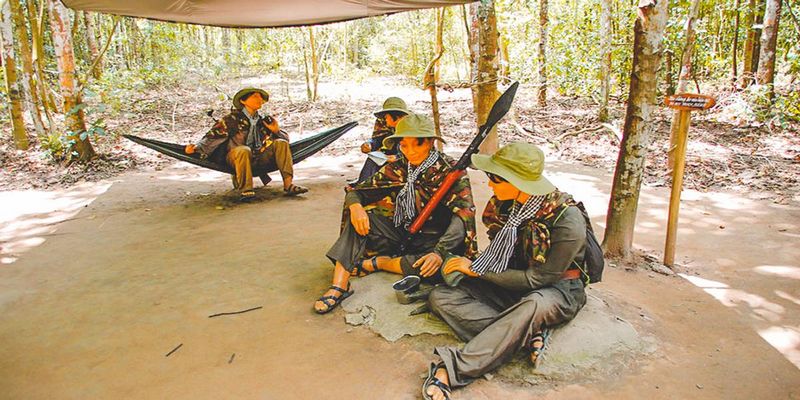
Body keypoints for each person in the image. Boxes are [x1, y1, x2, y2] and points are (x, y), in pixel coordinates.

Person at [421, 142, 588, 400]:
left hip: (556, 290)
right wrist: (468, 267)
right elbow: (499, 253)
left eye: (495, 179)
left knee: (532, 304)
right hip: (511, 281)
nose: (489, 184)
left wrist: (476, 270)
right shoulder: (507, 205)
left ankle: (452, 369)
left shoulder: (567, 219)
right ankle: (525, 333)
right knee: (441, 296)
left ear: (518, 182)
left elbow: (539, 278)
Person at [314, 113, 478, 314]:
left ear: (429, 143)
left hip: (436, 242)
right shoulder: (399, 166)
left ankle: (377, 263)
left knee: (444, 269)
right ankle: (339, 285)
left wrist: (439, 252)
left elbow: (463, 216)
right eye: (404, 145)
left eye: (416, 145)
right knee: (361, 219)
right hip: (402, 232)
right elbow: (358, 191)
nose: (410, 152)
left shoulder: (451, 170)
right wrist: (356, 207)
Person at [185, 88, 308, 201]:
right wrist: (197, 148)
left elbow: (286, 143)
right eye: (255, 96)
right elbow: (212, 137)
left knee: (281, 143)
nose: (259, 99)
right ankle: (246, 190)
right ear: (243, 101)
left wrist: (276, 131)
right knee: (243, 150)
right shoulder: (231, 120)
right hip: (235, 158)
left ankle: (288, 185)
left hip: (259, 157)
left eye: (261, 97)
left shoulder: (263, 121)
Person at [355, 97, 410, 182]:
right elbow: (378, 138)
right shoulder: (383, 121)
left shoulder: (412, 127)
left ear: (395, 116)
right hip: (389, 155)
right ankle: (361, 186)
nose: (385, 120)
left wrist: (398, 157)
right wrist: (369, 144)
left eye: (386, 117)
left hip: (408, 162)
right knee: (372, 161)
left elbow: (418, 151)